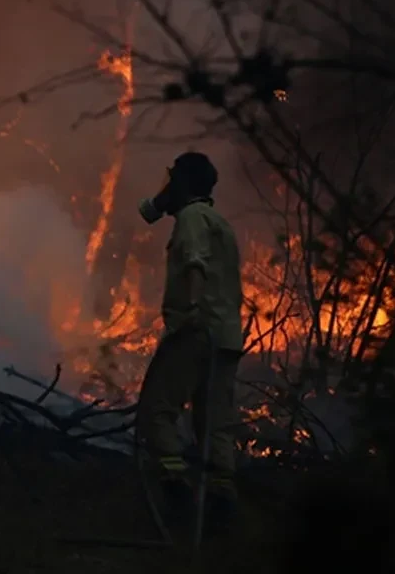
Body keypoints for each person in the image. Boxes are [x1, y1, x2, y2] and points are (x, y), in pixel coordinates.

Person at [135, 151, 245, 532]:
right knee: (215, 423)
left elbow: (195, 263)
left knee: (157, 409)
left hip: (197, 332)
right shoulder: (221, 224)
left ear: (184, 184)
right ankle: (220, 502)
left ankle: (175, 489)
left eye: (173, 180)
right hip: (227, 336)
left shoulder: (192, 218)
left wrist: (190, 312)